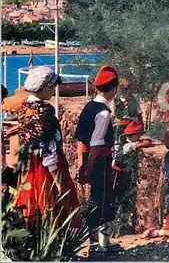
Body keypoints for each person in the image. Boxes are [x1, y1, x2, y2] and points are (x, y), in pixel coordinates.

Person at [15, 67, 79, 224]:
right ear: (42, 87)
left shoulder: (23, 108)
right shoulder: (45, 111)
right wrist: (58, 181)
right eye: (52, 87)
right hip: (45, 170)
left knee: (32, 212)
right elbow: (47, 149)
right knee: (53, 210)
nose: (53, 90)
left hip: (27, 167)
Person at [75, 65, 121, 258]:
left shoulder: (88, 107)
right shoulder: (103, 113)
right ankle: (98, 247)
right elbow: (95, 145)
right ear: (113, 88)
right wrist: (90, 169)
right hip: (99, 162)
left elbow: (81, 142)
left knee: (97, 202)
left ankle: (101, 243)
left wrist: (81, 166)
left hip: (90, 161)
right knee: (102, 203)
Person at [112, 78, 143, 143]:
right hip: (119, 127)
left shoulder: (134, 101)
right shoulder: (116, 101)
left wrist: (141, 127)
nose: (127, 91)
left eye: (128, 89)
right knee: (118, 144)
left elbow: (139, 114)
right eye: (124, 89)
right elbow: (113, 115)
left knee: (131, 145)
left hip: (131, 127)